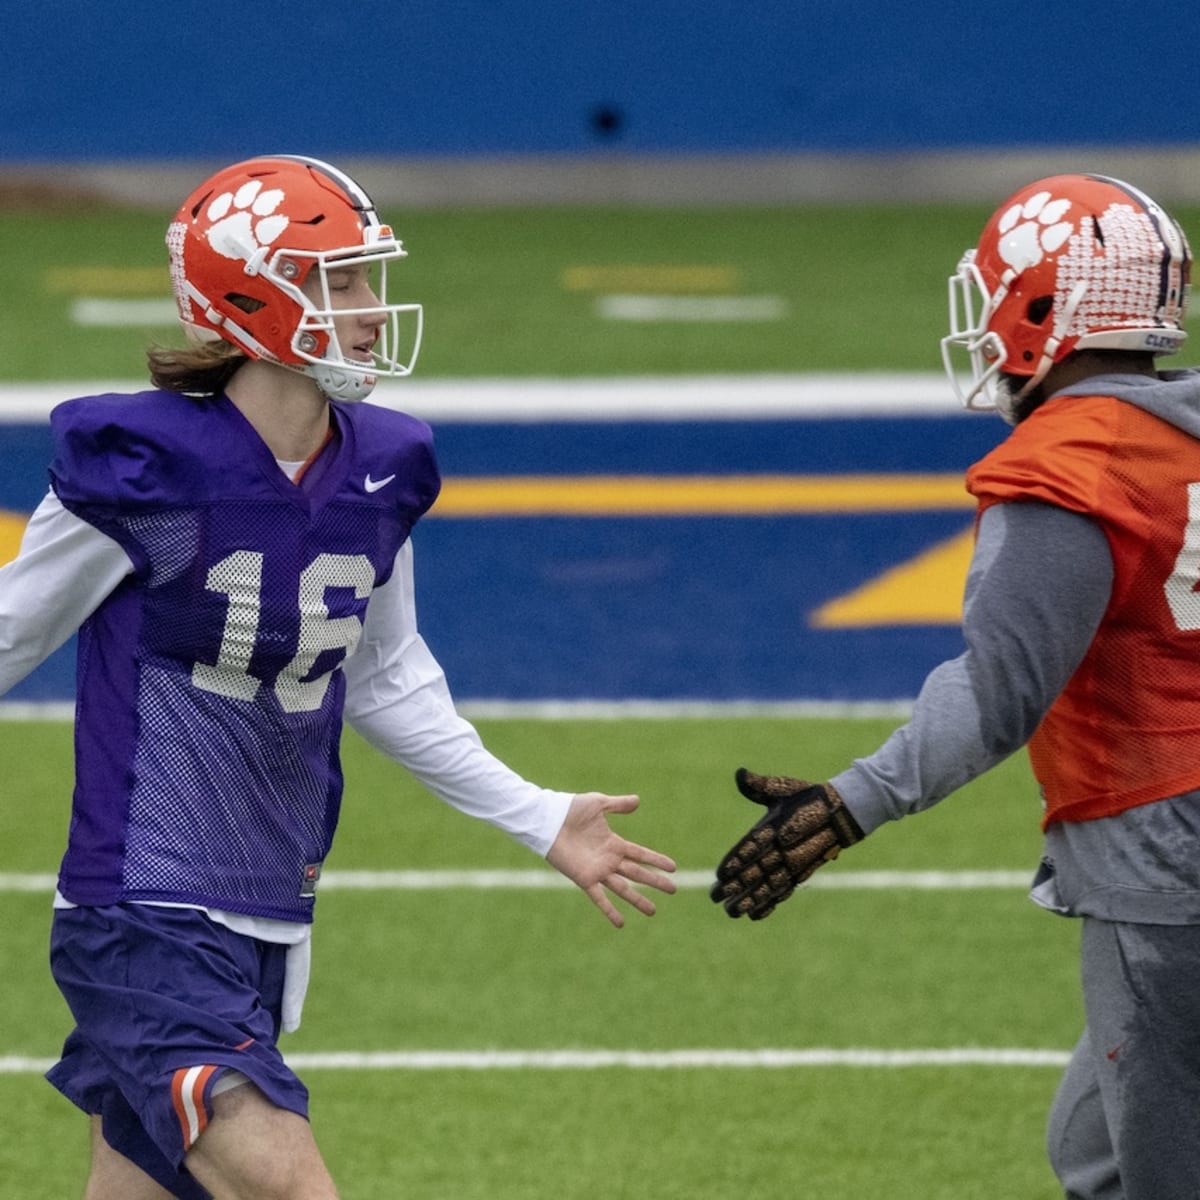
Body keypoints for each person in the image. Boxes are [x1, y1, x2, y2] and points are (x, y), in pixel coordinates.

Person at [0, 154, 677, 1200]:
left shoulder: (382, 465)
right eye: (340, 282)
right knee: (290, 1185)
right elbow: (7, 635)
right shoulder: (143, 466)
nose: (369, 309)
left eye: (366, 279)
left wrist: (537, 814)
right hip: (144, 907)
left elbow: (388, 676)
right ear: (249, 297)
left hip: (274, 905)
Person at [710, 173, 1199, 1199]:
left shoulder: (1072, 463)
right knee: (1097, 1155)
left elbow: (1000, 688)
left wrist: (851, 804)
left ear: (1039, 309)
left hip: (1166, 852)